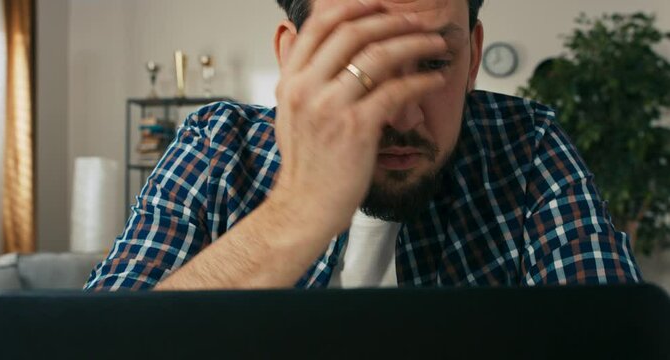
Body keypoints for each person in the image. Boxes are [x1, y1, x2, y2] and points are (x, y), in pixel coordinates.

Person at [85, 0, 641, 291]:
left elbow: (615, 333)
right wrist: (295, 212)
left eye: (433, 63)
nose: (401, 112)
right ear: (291, 57)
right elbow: (92, 344)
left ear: (472, 56)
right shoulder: (217, 145)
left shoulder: (528, 146)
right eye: (357, 64)